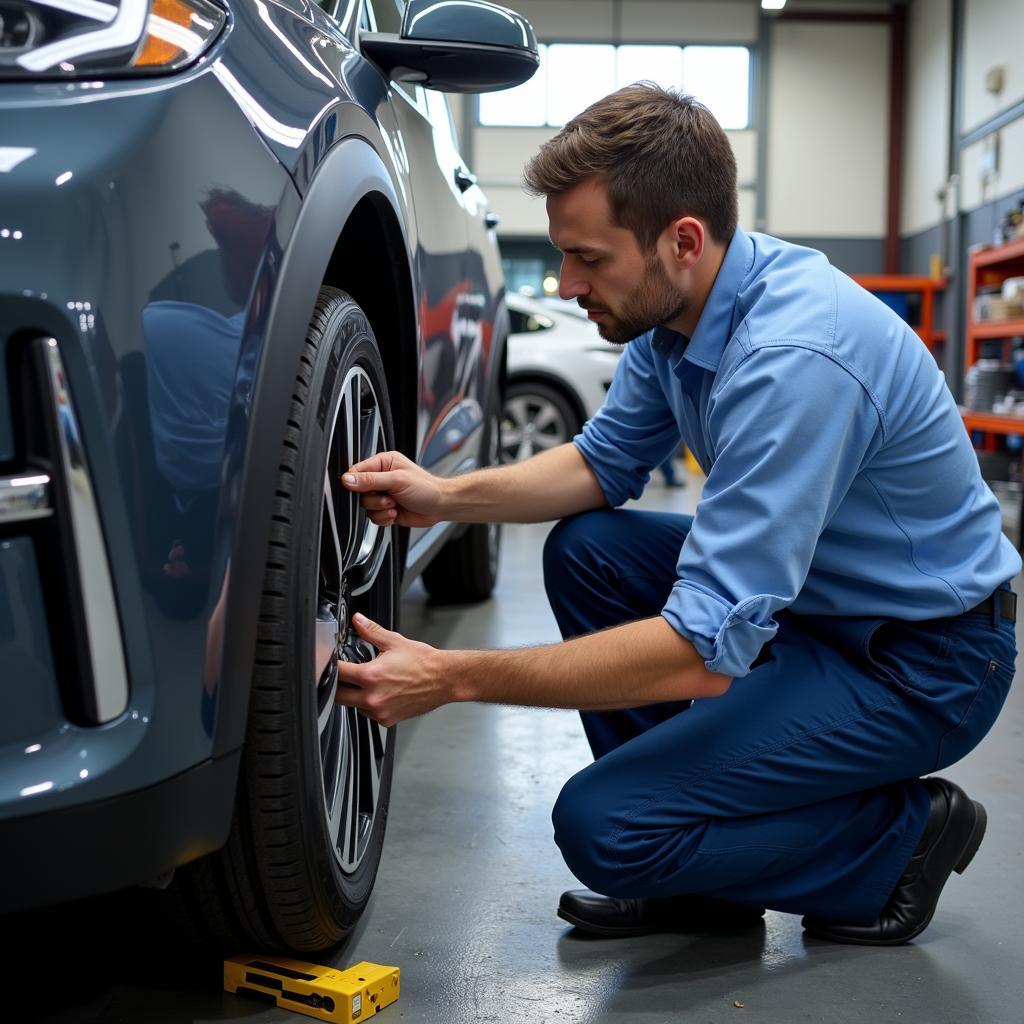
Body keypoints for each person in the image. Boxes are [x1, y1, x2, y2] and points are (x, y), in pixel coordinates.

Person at [336, 84, 1019, 946]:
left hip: (925, 661)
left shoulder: (792, 359)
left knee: (604, 827)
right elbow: (597, 465)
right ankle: (706, 872)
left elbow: (701, 652)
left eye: (588, 258)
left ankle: (900, 841)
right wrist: (444, 494)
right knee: (591, 550)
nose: (567, 283)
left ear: (682, 240)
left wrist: (454, 676)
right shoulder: (676, 321)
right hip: (819, 610)